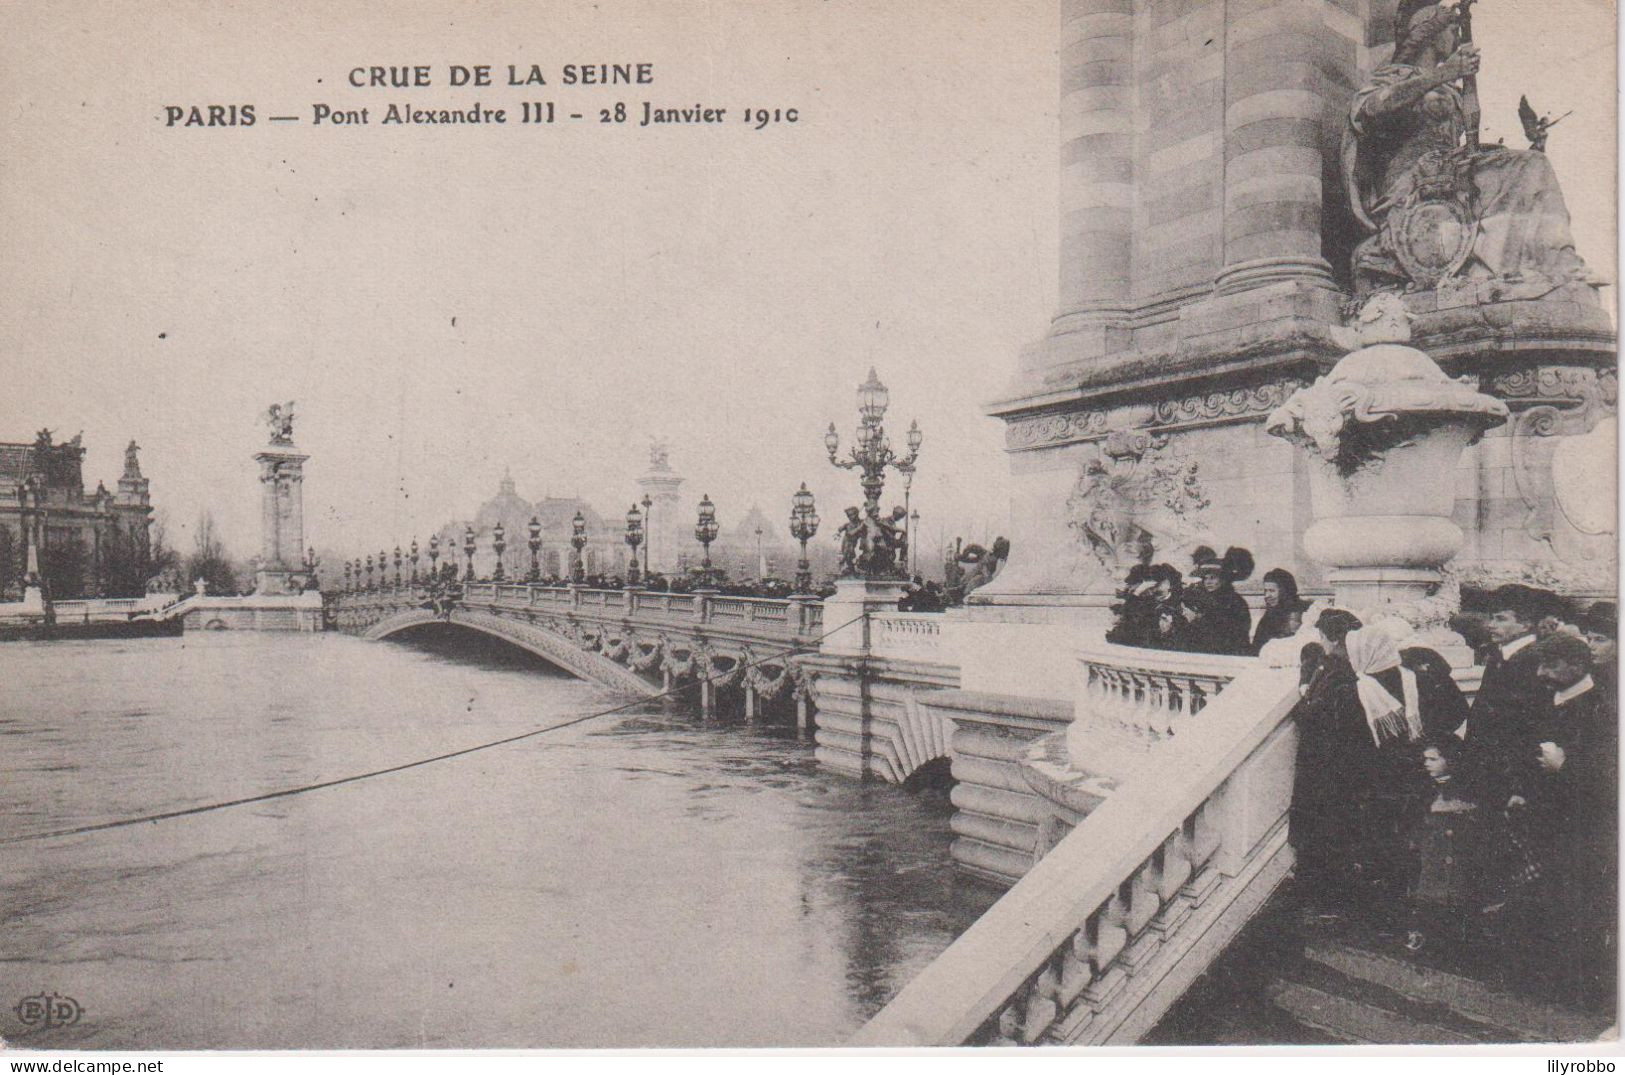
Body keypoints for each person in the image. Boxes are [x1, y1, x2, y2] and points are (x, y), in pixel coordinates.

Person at [1342, 2, 1597, 297]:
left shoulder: (1452, 89)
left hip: (1449, 172)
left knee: (1533, 163)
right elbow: (1372, 109)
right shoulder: (1393, 76)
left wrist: (1536, 142)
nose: (1457, 36)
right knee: (1526, 167)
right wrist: (1442, 74)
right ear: (1430, 33)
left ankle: (1555, 261)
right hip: (1411, 182)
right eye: (1452, 29)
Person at [1525, 633, 1618, 1006]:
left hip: (1587, 822)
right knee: (1551, 895)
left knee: (1582, 900)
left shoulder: (1604, 707)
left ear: (1577, 666)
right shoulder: (1551, 699)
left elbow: (1612, 771)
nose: (1541, 673)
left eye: (1551, 665)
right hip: (1551, 817)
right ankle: (1551, 979)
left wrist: (1566, 766)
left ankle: (1582, 988)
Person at [1463, 584, 1553, 811]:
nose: (1491, 625)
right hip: (1489, 769)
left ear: (1526, 623)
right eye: (1492, 618)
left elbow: (1534, 725)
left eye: (1501, 619)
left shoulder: (1536, 660)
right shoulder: (1498, 656)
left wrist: (1521, 786)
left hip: (1515, 776)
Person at [1405, 735, 1488, 953]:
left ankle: (1456, 941)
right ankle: (1422, 936)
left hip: (1457, 852)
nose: (1427, 764)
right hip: (1432, 852)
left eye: (1433, 759)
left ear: (1449, 760)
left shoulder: (1465, 789)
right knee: (1428, 892)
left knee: (1457, 892)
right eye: (1425, 759)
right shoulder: (1424, 789)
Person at [1181, 546, 1254, 655]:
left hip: (1229, 657)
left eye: (1212, 577)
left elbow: (1229, 635)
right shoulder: (1201, 599)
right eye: (1205, 578)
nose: (1208, 582)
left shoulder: (1235, 602)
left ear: (1223, 579)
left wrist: (1196, 619)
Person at [1252, 568, 1303, 654]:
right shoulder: (1268, 617)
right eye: (1265, 591)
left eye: (1272, 591)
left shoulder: (1298, 613)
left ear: (1285, 592)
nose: (1267, 595)